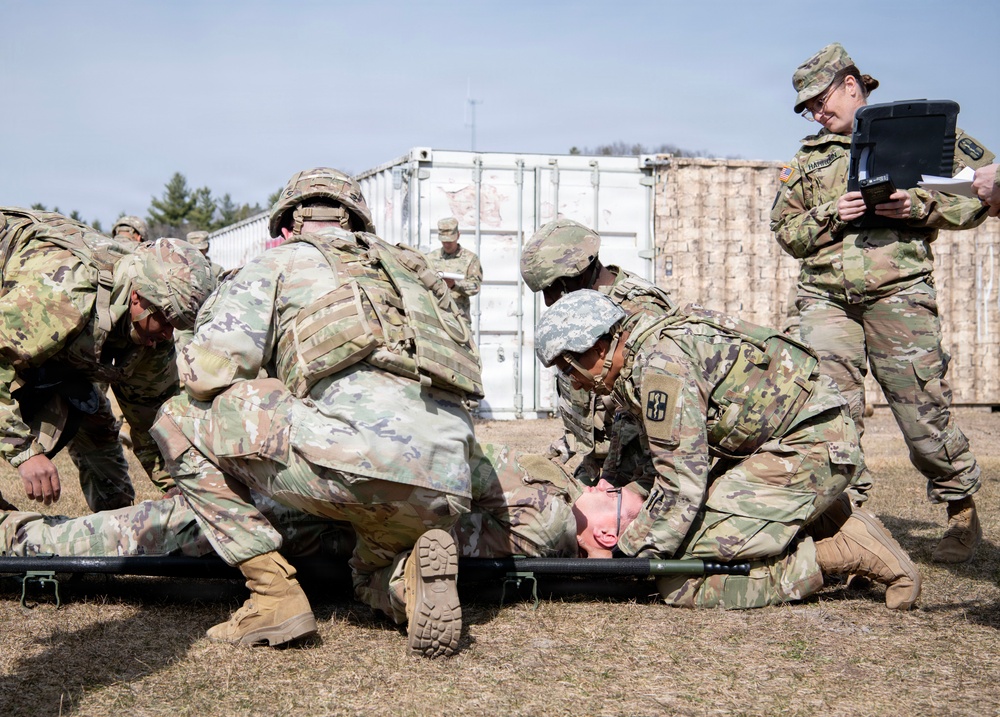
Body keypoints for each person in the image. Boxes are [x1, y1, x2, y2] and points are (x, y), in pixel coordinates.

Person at [149, 167, 485, 658]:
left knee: (177, 417)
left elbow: (211, 369)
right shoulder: (414, 271)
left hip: (356, 461)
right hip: (450, 481)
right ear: (356, 223)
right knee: (370, 567)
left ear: (287, 225)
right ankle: (406, 583)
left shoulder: (281, 261)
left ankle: (273, 597)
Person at [534, 290, 921, 611]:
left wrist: (629, 558)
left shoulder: (659, 368)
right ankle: (829, 518)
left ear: (600, 347)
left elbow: (680, 482)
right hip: (794, 445)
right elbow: (647, 453)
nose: (575, 382)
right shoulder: (644, 348)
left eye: (570, 367)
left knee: (680, 577)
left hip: (808, 448)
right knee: (683, 535)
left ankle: (839, 552)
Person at [770, 43, 994, 563]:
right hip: (825, 298)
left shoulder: (925, 133)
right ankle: (850, 523)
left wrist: (913, 204)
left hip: (898, 292)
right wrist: (833, 213)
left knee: (922, 412)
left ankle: (960, 509)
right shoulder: (806, 160)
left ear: (852, 84)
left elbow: (981, 194)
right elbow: (787, 232)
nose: (816, 113)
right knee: (830, 413)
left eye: (821, 100)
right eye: (807, 108)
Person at [0, 208, 215, 511]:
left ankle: (113, 516)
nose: (168, 335)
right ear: (139, 297)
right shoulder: (68, 293)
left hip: (44, 348)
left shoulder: (152, 334)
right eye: (166, 321)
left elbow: (152, 418)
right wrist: (24, 452)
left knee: (89, 411)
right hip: (19, 319)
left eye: (177, 326)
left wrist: (178, 486)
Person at [520, 218, 675, 484]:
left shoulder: (640, 311)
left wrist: (614, 483)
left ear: (579, 272)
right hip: (596, 461)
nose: (548, 301)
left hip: (636, 469)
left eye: (552, 287)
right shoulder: (578, 308)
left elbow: (657, 418)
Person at [426, 217, 482, 326]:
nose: (447, 244)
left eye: (450, 241)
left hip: (459, 320)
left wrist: (454, 285)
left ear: (458, 236)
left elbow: (475, 287)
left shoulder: (470, 259)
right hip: (436, 318)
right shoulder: (431, 258)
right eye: (444, 241)